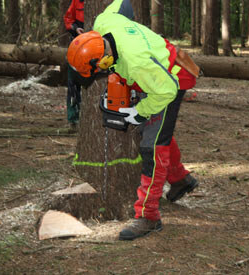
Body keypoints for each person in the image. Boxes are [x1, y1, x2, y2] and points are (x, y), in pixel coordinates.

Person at [66, 0, 199, 240]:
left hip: (173, 78)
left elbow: (166, 91)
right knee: (159, 130)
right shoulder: (103, 22)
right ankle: (180, 179)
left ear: (104, 60)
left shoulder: (137, 64)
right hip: (156, 71)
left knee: (152, 146)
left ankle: (148, 216)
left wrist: (140, 111)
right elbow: (122, 4)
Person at [63, 0, 84, 128]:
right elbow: (68, 20)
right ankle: (73, 119)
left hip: (98, 47)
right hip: (77, 46)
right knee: (73, 83)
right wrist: (76, 29)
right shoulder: (77, 1)